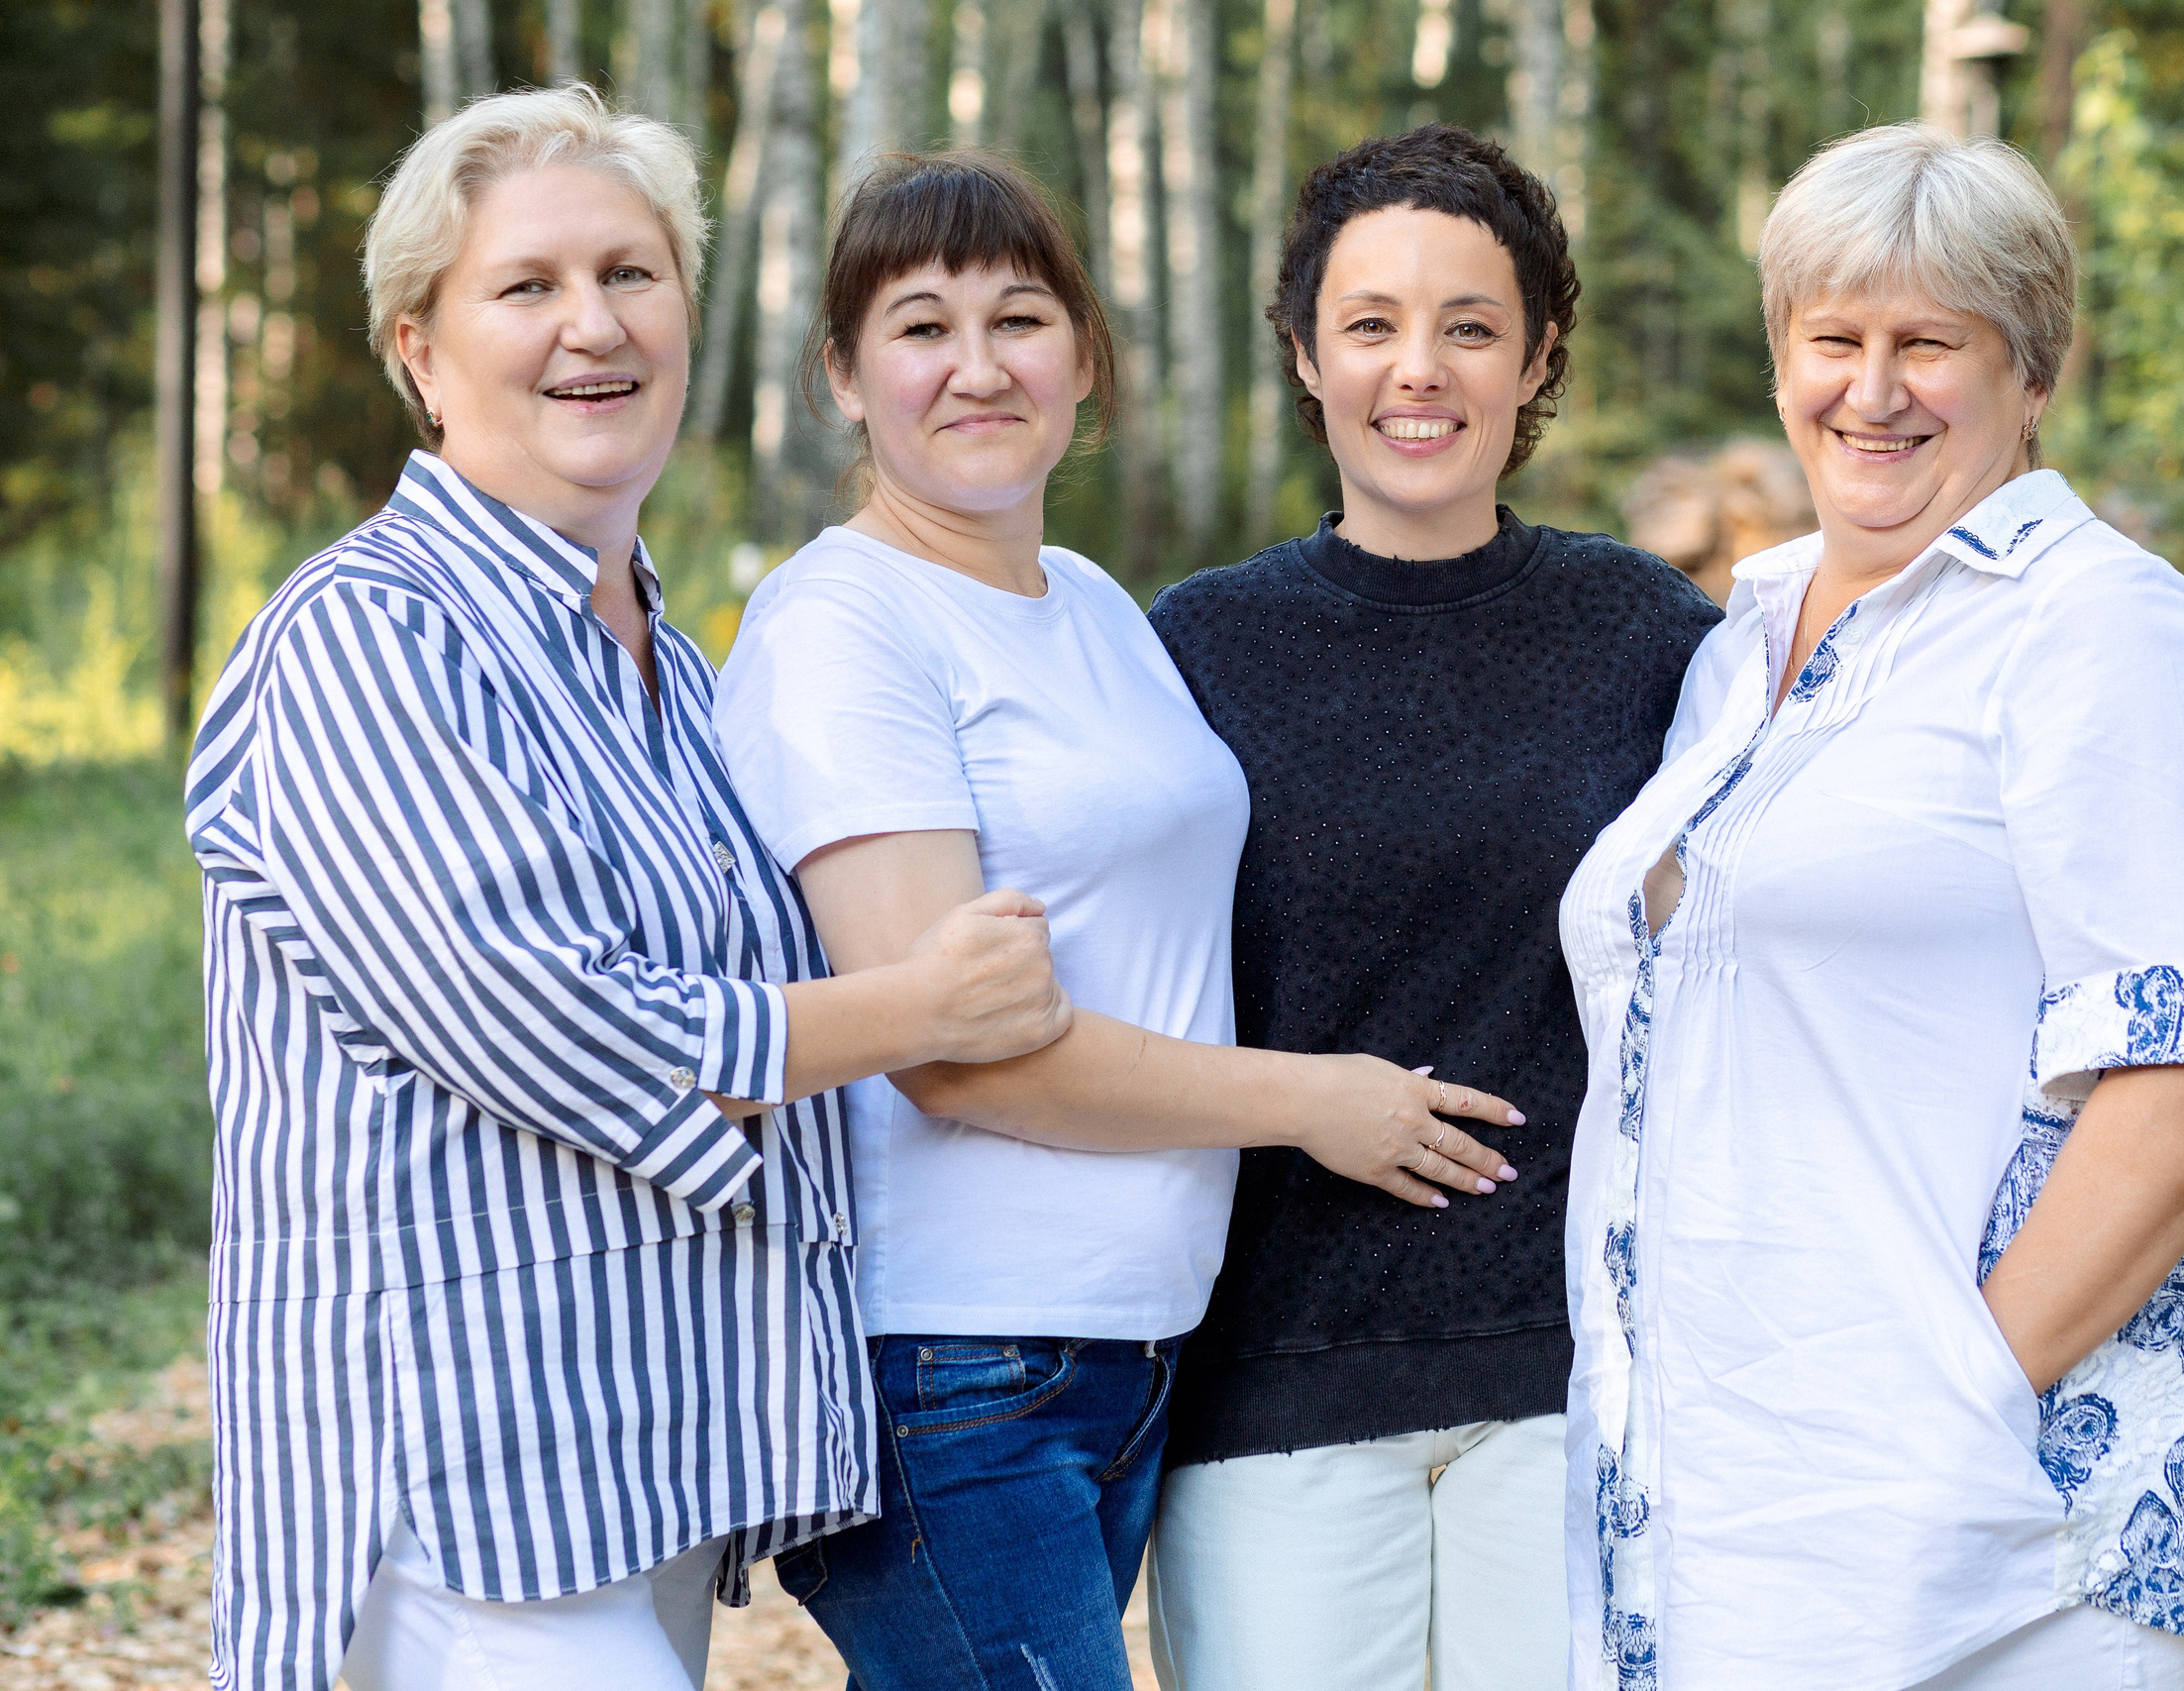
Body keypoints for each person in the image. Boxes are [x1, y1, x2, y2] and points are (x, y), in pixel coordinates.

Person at [184, 88, 1076, 1691]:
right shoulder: (366, 637)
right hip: (460, 1498)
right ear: (420, 351)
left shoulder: (663, 666)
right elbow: (553, 1021)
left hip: (633, 1472)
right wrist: (922, 1008)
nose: (591, 326)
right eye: (526, 287)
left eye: (630, 275)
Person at [708, 152, 1522, 1691]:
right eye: (921, 327)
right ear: (845, 375)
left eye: (1019, 319)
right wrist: (1314, 1102)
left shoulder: (1087, 602)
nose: (978, 367)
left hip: (1128, 1352)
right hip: (951, 1363)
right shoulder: (842, 626)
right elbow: (952, 1054)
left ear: (1084, 357)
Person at [1558, 123, 2184, 1691]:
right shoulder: (1739, 646)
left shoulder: (2100, 630)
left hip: (1986, 1537)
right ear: (1781, 360)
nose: (1873, 390)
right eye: (1836, 339)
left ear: (2032, 374)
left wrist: (1952, 1405)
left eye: (1931, 345)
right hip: (1732, 1491)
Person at [1141, 124, 1720, 1691]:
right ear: (1305, 353)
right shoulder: (1192, 649)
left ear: (1537, 358)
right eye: (1371, 324)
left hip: (1578, 1379)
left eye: (1470, 326)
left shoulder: (1649, 635)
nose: (1420, 369)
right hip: (1278, 1388)